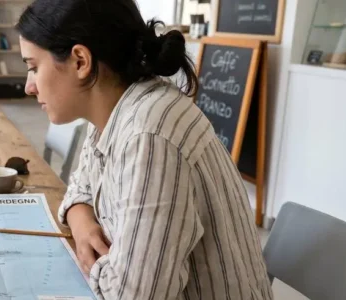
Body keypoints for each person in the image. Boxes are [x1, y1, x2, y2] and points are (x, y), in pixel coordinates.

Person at [17, 0, 272, 299]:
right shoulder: (113, 108)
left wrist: (98, 262)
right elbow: (81, 187)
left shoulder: (149, 136)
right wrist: (82, 223)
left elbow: (133, 295)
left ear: (80, 61)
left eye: (34, 67)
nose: (29, 86)